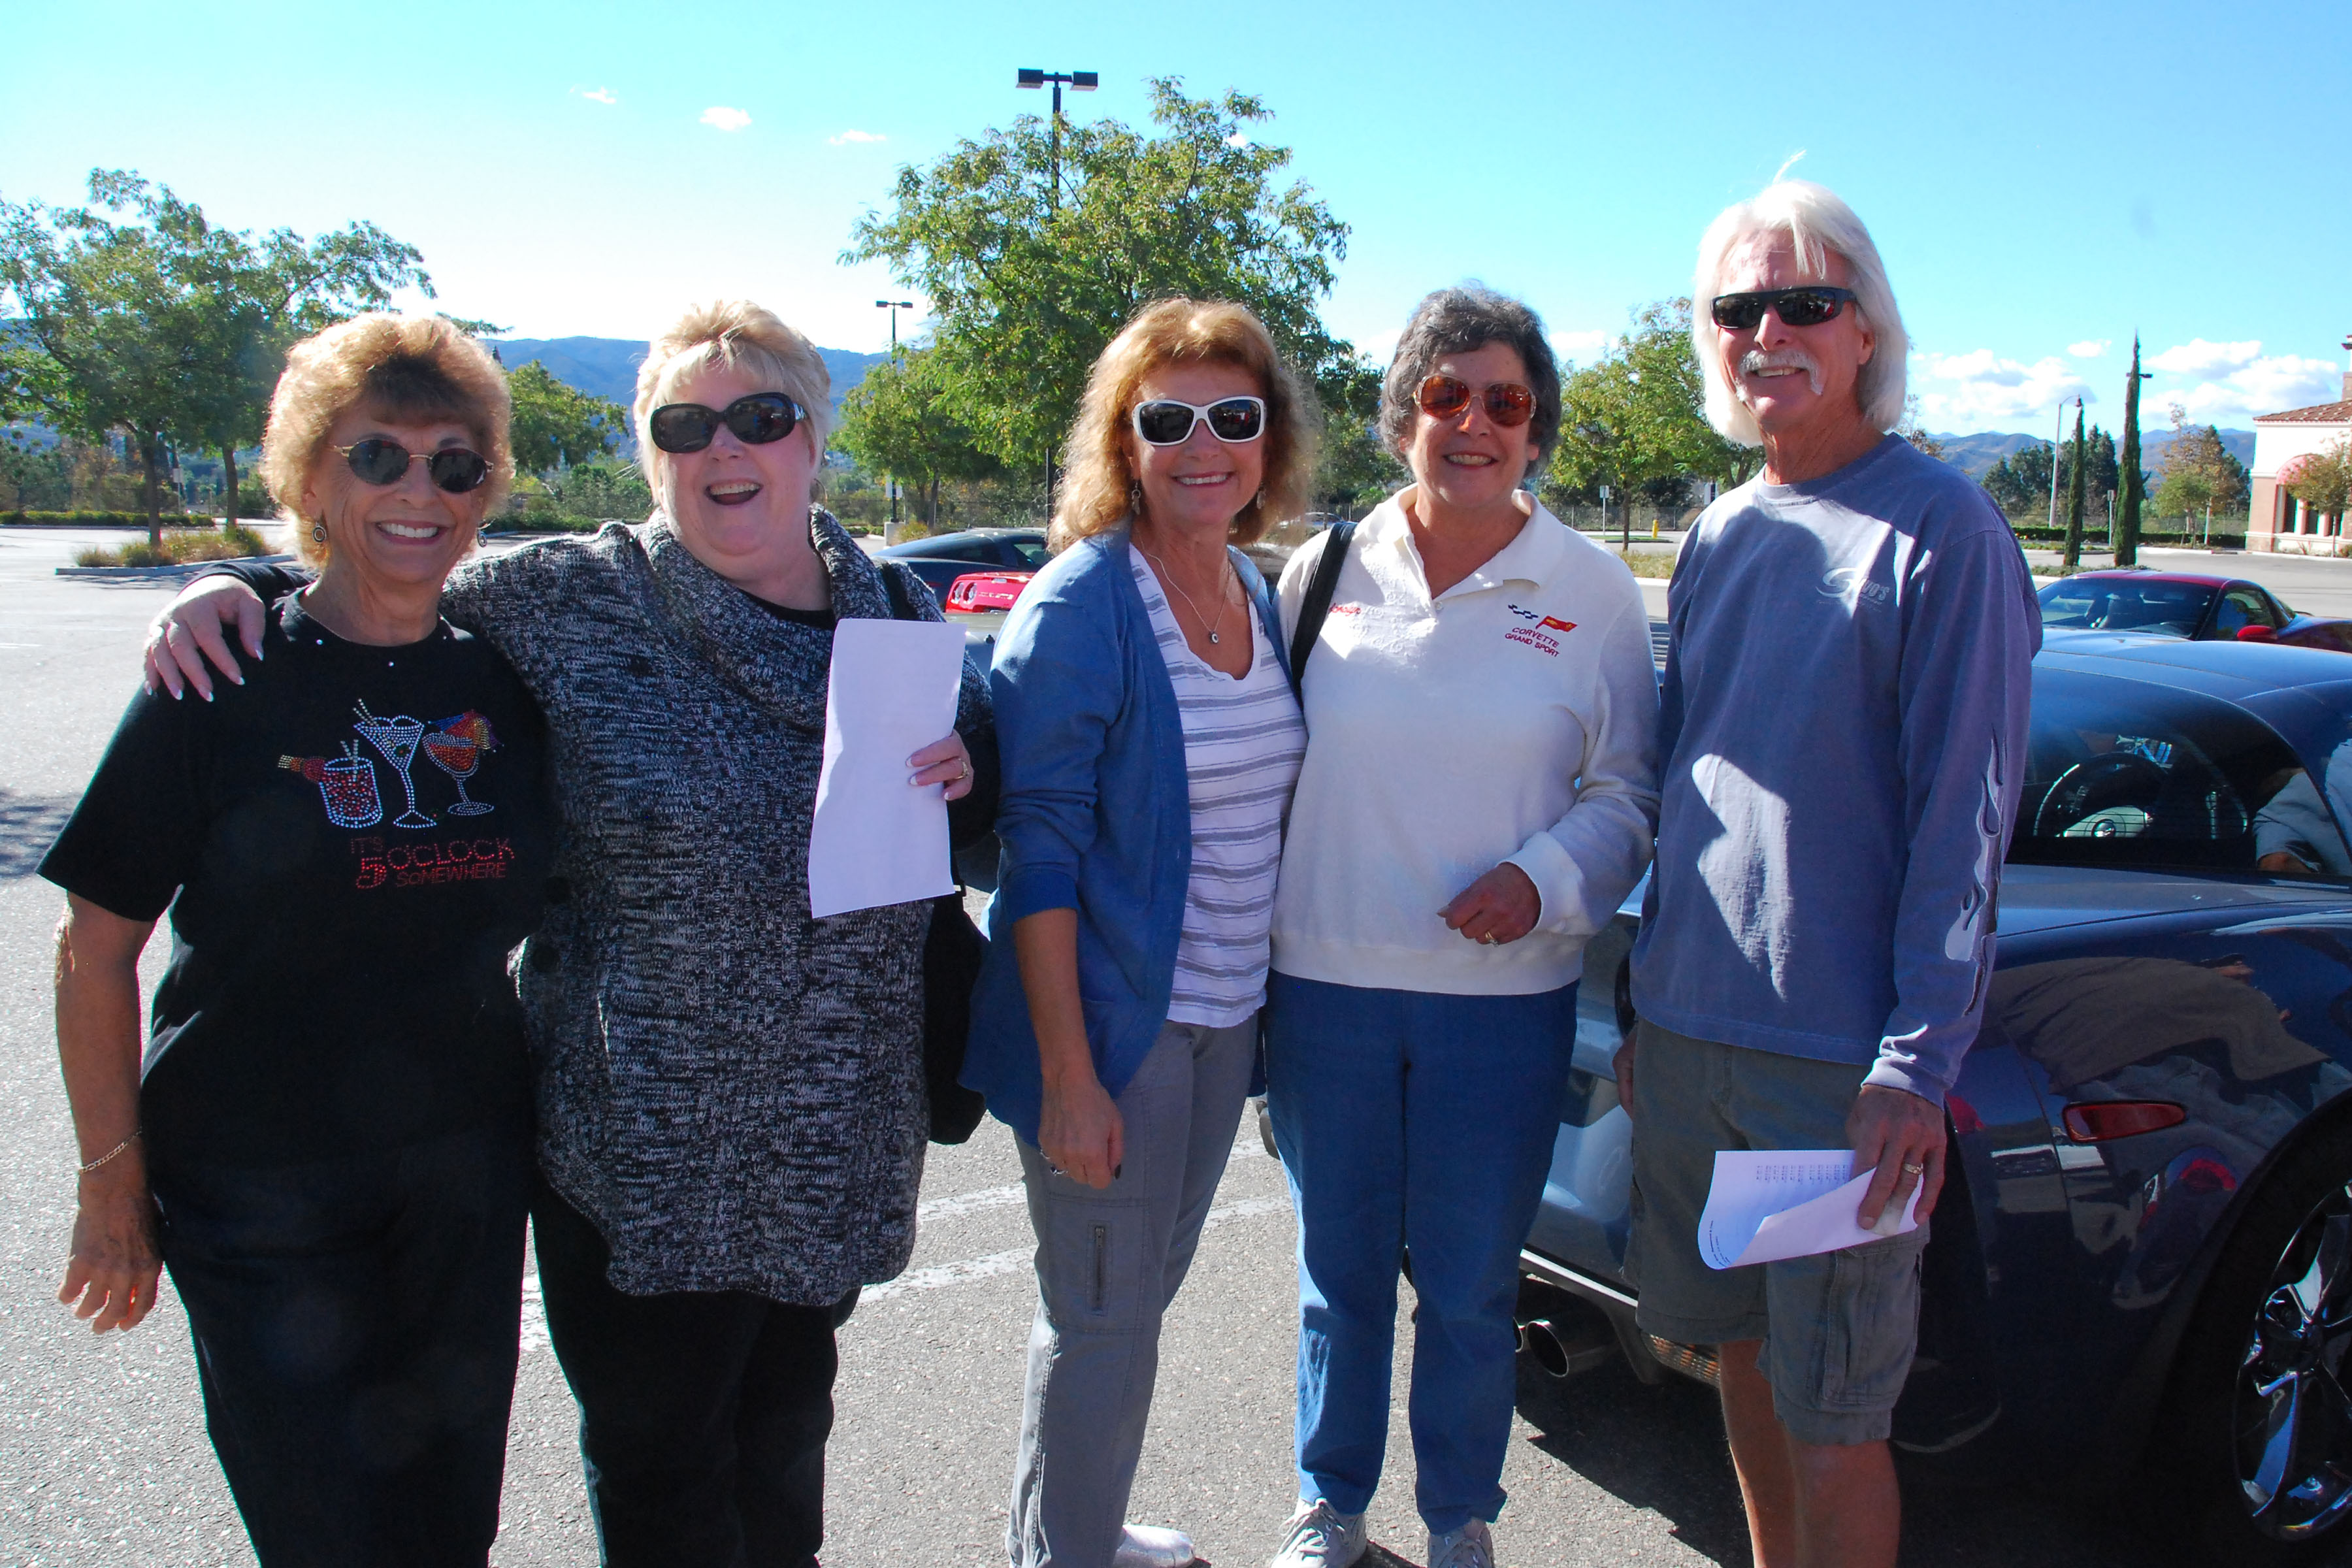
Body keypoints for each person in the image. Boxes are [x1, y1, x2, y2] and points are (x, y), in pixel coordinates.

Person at [142, 301, 996, 1568]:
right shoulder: (574, 599)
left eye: (762, 417)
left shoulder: (901, 617)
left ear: (815, 441)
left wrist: (970, 768)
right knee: (666, 1481)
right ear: (654, 456)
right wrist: (243, 579)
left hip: (830, 1134)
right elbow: (391, 566)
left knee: (784, 1457)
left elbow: (956, 845)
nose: (726, 449)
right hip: (639, 1155)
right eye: (685, 424)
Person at [48, 314, 554, 1563]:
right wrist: (111, 1183)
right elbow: (96, 950)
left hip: (460, 1176)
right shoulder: (219, 677)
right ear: (309, 476)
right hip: (258, 1182)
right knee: (325, 1531)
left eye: (455, 463)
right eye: (376, 456)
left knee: (445, 1528)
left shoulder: (504, 676)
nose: (417, 491)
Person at [1618, 180, 2038, 1568]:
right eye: (1741, 307)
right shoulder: (1723, 532)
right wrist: (1642, 1011)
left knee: (1839, 1414)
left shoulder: (1945, 534)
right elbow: (1693, 787)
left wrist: (1915, 1066)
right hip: (1690, 1042)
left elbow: (1964, 823)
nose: (1770, 331)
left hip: (1834, 1070)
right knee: (1735, 1362)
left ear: (1868, 331)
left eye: (1808, 301)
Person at [1263, 286, 1661, 1568]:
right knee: (1339, 1282)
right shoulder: (1322, 573)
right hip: (1323, 992)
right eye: (1446, 396)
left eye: (1506, 402)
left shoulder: (1593, 594)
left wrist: (1543, 878)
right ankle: (1332, 1508)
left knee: (1476, 1292)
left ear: (1537, 429)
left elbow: (1631, 795)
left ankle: (1459, 1524)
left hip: (1503, 1010)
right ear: (1402, 418)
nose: (1474, 424)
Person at [960, 297, 1316, 1568]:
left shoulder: (1253, 594)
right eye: (1170, 420)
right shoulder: (1081, 606)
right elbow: (1036, 858)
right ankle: (1068, 1554)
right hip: (1119, 1029)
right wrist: (1071, 1078)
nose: (1205, 445)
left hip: (1225, 1024)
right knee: (1107, 1321)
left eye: (1235, 416)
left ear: (1270, 440)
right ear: (1126, 441)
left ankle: (1068, 1537)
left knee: (1121, 1309)